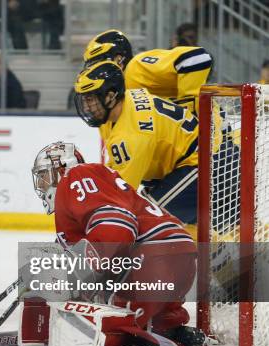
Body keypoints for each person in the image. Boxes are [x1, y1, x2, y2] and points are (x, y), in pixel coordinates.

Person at [21, 141, 203, 346]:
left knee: (105, 301)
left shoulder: (76, 176)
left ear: (61, 168)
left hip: (151, 259)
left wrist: (79, 269)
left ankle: (125, 341)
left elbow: (117, 227)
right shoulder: (88, 187)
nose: (42, 184)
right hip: (178, 257)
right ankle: (166, 326)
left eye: (44, 175)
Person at [74, 61, 199, 224]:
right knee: (149, 207)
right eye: (84, 99)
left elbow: (121, 194)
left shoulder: (131, 135)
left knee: (147, 217)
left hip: (207, 164)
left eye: (91, 99)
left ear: (111, 96)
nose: (87, 106)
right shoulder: (125, 106)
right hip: (197, 160)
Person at [83, 29, 212, 115]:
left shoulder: (136, 67)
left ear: (118, 59)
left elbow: (195, 58)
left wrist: (189, 110)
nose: (95, 70)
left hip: (214, 139)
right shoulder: (117, 93)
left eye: (97, 62)